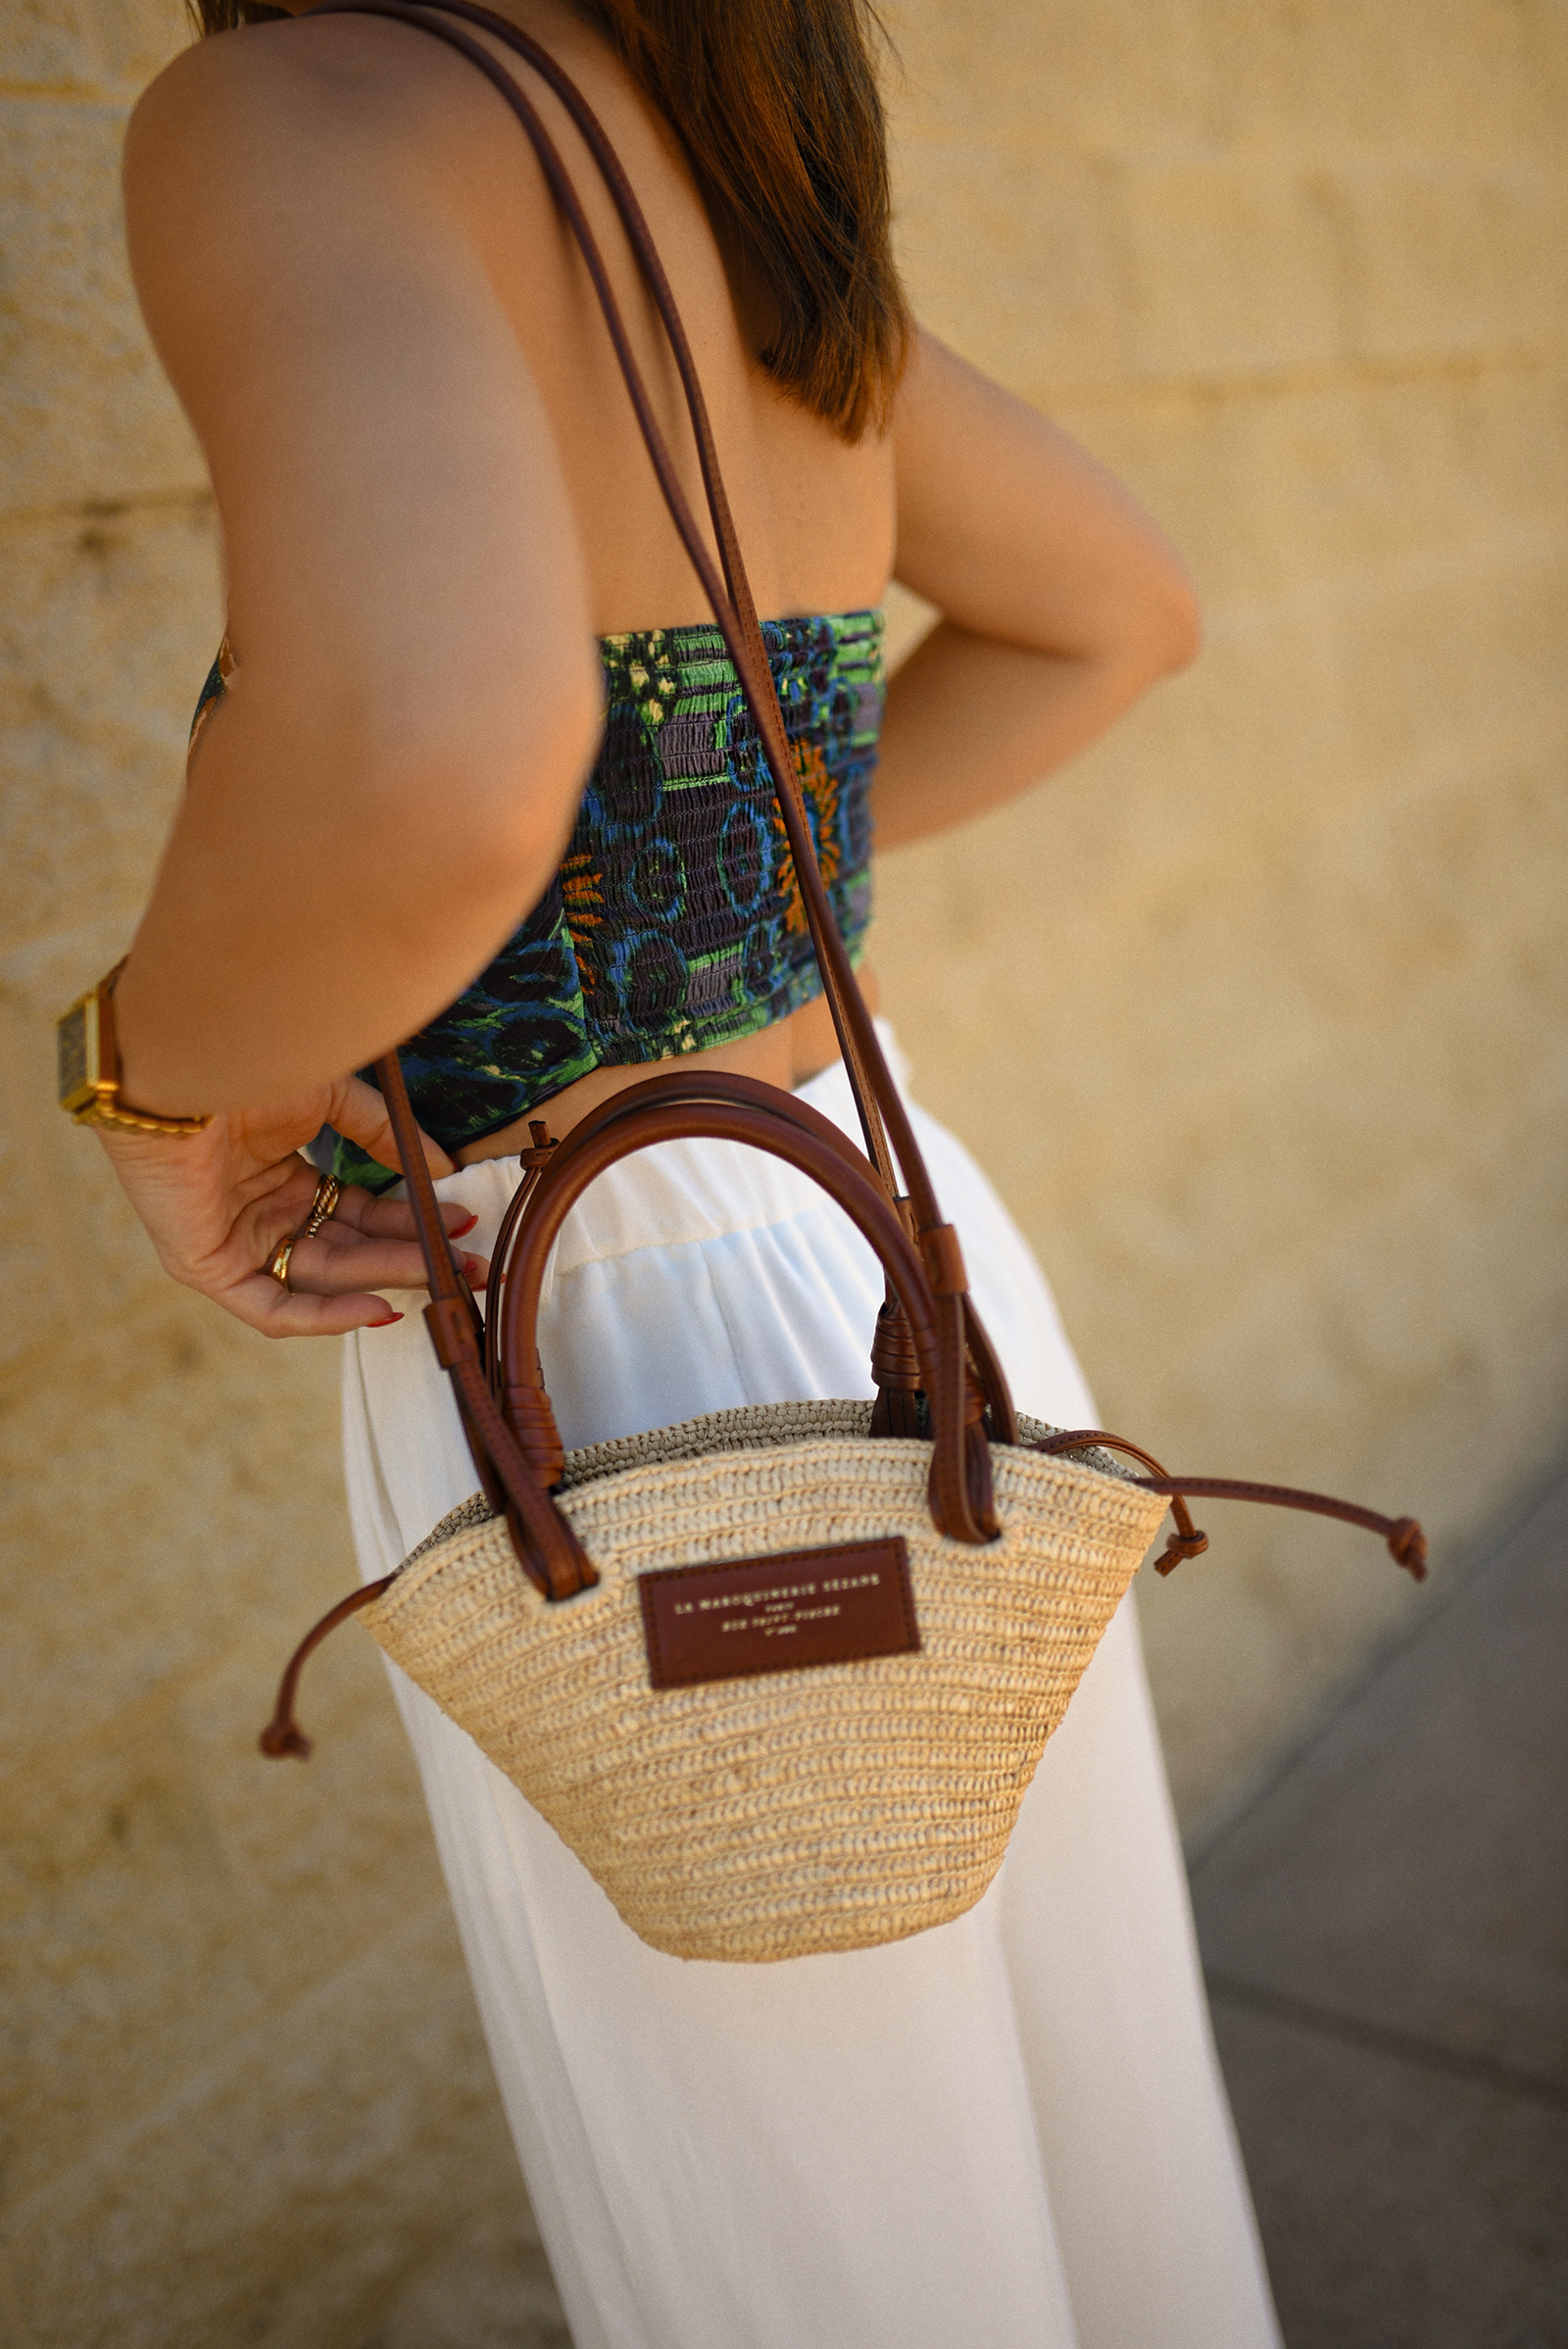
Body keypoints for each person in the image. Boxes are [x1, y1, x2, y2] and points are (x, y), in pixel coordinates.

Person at [94, 0, 1282, 2340]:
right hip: (888, 1239)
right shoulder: (727, 188)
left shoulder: (302, 113)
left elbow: (447, 764)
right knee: (1040, 2098)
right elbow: (1113, 610)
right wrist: (737, 907)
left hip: (594, 1351)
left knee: (812, 2221)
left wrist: (151, 1081)